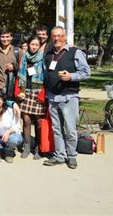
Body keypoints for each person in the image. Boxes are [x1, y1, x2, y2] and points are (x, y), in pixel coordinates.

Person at [43, 26, 91, 169]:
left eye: (59, 36)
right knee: (57, 129)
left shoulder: (75, 52)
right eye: (54, 36)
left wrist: (71, 76)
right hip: (53, 97)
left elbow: (86, 72)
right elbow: (46, 74)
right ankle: (60, 155)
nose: (57, 39)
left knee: (70, 129)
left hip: (69, 96)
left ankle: (71, 156)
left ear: (64, 37)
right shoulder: (49, 54)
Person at [16, 35, 47, 159]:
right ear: (28, 44)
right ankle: (27, 146)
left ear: (39, 46)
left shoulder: (43, 58)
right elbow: (20, 74)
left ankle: (39, 147)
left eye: (36, 45)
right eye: (32, 44)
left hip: (38, 91)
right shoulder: (24, 57)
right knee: (27, 121)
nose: (33, 47)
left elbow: (46, 77)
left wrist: (43, 93)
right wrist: (20, 90)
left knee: (39, 122)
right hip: (25, 91)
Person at [0, 28, 23, 99]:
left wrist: (14, 67)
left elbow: (23, 69)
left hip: (14, 86)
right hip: (0, 86)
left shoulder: (18, 51)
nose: (5, 39)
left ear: (11, 37)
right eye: (3, 37)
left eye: (7, 36)